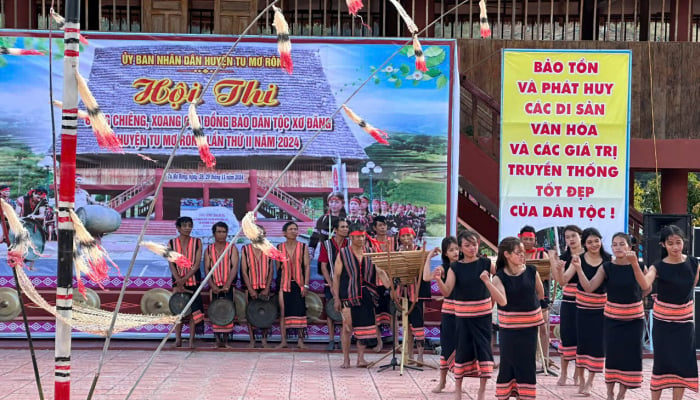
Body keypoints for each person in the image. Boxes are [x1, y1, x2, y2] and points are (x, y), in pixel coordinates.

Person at [629, 225, 699, 400]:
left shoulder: (694, 263)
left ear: (684, 242)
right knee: (662, 363)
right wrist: (634, 265)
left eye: (678, 242)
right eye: (671, 243)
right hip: (663, 323)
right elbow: (645, 285)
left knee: (682, 364)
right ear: (663, 245)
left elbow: (689, 288)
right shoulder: (658, 266)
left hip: (684, 323)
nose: (675, 246)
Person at [576, 233, 646, 400]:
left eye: (622, 244)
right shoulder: (607, 267)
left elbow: (646, 287)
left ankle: (622, 393)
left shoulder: (639, 265)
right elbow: (590, 287)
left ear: (630, 247)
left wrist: (635, 300)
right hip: (612, 318)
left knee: (630, 356)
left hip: (634, 319)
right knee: (613, 356)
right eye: (615, 244)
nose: (618, 247)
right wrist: (578, 268)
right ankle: (609, 393)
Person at [434, 230, 500, 400]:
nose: (472, 248)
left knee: (484, 351)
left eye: (474, 244)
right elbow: (447, 291)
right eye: (467, 245)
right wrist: (439, 281)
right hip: (462, 316)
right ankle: (457, 389)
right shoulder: (455, 267)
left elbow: (502, 277)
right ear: (461, 248)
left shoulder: (486, 263)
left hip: (483, 316)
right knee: (462, 351)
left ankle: (482, 390)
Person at [492, 237, 545, 400]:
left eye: (523, 252)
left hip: (529, 327)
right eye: (518, 252)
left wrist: (538, 316)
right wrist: (487, 282)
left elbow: (541, 294)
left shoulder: (531, 271)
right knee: (508, 362)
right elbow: (502, 301)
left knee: (527, 363)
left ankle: (525, 396)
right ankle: (505, 395)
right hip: (509, 329)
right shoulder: (498, 277)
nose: (523, 255)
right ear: (507, 254)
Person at [332, 223, 390, 368]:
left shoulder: (371, 252)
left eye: (363, 236)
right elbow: (337, 277)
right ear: (351, 237)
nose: (361, 239)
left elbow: (381, 272)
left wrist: (392, 289)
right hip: (348, 295)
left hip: (367, 295)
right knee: (347, 327)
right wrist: (336, 298)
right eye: (358, 236)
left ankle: (361, 359)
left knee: (363, 328)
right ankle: (346, 359)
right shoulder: (343, 253)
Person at [572, 228, 611, 395]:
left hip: (602, 309)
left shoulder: (609, 260)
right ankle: (581, 380)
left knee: (597, 347)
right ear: (584, 244)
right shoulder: (579, 259)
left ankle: (590, 382)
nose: (594, 244)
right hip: (582, 309)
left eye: (597, 240)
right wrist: (557, 266)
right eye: (589, 242)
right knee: (582, 345)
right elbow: (564, 279)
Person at [422, 236, 460, 394]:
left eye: (457, 248)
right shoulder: (444, 268)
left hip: (465, 313)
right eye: (451, 250)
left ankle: (459, 386)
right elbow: (425, 277)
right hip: (449, 314)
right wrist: (429, 257)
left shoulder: (466, 266)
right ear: (445, 253)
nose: (455, 252)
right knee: (446, 349)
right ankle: (442, 382)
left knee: (462, 351)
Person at [549, 224, 584, 386]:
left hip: (587, 302)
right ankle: (563, 373)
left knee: (582, 339)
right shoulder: (564, 256)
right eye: (568, 237)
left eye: (573, 236)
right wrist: (553, 261)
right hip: (569, 301)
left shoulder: (591, 255)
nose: (570, 239)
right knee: (567, 336)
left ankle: (578, 374)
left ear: (580, 236)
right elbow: (560, 280)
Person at [518, 225, 552, 372]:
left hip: (540, 294)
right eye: (525, 239)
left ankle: (544, 360)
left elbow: (549, 273)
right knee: (522, 329)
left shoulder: (542, 254)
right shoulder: (515, 253)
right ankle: (524, 359)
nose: (528, 242)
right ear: (520, 238)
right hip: (520, 295)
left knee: (543, 328)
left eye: (531, 239)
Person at [168, 216, 204, 349]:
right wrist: (178, 280)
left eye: (190, 225)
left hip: (193, 279)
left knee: (194, 311)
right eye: (184, 226)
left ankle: (190, 341)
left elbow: (196, 265)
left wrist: (184, 280)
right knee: (178, 310)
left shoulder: (197, 242)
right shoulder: (171, 243)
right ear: (178, 228)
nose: (188, 228)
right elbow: (171, 263)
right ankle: (178, 339)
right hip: (177, 280)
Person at [204, 221, 239, 349]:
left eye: (224, 232)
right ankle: (217, 340)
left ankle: (226, 341)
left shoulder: (232, 248)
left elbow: (234, 267)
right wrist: (212, 285)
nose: (222, 234)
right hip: (214, 286)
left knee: (228, 311)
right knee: (215, 311)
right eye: (219, 232)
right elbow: (207, 268)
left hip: (228, 286)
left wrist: (228, 284)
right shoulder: (209, 249)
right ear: (214, 234)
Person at [397, 226, 429, 364]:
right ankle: (409, 355)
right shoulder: (398, 252)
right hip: (403, 291)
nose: (406, 239)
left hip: (417, 291)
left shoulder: (419, 251)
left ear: (413, 236)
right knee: (407, 324)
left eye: (408, 236)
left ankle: (420, 356)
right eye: (403, 236)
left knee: (418, 323)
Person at [277, 222, 310, 349]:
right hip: (284, 284)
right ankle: (283, 341)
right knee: (283, 312)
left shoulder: (303, 247)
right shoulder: (279, 247)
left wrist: (306, 285)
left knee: (300, 312)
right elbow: (278, 268)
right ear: (284, 233)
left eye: (295, 229)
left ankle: (300, 341)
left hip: (299, 283)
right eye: (291, 229)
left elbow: (306, 267)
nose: (294, 231)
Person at [240, 224, 273, 348]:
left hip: (265, 287)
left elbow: (270, 271)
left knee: (266, 313)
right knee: (250, 313)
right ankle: (252, 340)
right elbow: (244, 270)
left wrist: (267, 288)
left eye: (264, 233)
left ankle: (264, 340)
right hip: (250, 287)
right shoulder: (245, 249)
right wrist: (250, 289)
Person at [318, 218, 349, 351]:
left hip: (346, 283)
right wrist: (330, 283)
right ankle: (331, 340)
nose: (346, 229)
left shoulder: (350, 243)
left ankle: (343, 340)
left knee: (345, 312)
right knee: (331, 310)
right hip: (330, 282)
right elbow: (323, 266)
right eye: (342, 227)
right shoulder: (326, 244)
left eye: (347, 227)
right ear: (335, 230)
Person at [368, 215, 394, 352]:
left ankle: (396, 344)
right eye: (380, 225)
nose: (383, 228)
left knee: (392, 313)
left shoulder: (393, 242)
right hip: (374, 282)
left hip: (391, 282)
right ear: (374, 228)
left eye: (384, 225)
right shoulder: (370, 243)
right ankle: (379, 342)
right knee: (375, 314)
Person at [308, 192, 346, 259]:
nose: (333, 205)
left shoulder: (346, 221)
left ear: (342, 204)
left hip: (341, 256)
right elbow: (314, 237)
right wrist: (310, 253)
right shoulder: (322, 219)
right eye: (331, 202)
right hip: (324, 256)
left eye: (337, 202)